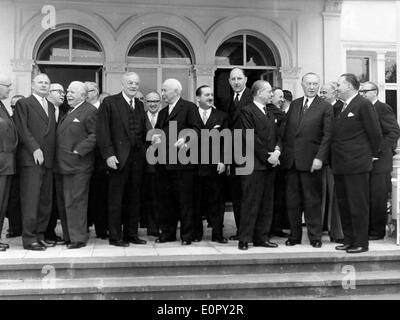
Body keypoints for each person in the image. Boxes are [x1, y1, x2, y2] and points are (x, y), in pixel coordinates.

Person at [281, 72, 333, 248]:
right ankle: (294, 236)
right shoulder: (294, 105)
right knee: (292, 202)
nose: (312, 87)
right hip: (291, 162)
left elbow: (328, 136)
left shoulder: (325, 107)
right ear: (302, 85)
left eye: (315, 84)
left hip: (312, 163)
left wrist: (320, 157)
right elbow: (285, 132)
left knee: (312, 202)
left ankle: (315, 237)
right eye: (308, 83)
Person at [332, 73, 382, 254]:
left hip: (357, 164)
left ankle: (361, 242)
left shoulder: (363, 104)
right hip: (341, 164)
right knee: (344, 205)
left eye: (339, 84)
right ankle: (349, 240)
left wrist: (372, 155)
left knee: (358, 205)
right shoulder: (341, 107)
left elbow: (375, 133)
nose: (337, 87)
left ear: (350, 86)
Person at [97, 72, 147, 247]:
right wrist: (109, 155)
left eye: (136, 83)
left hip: (137, 160)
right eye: (130, 83)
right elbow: (102, 132)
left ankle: (131, 234)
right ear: (123, 84)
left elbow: (142, 132)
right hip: (117, 159)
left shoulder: (140, 105)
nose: (134, 86)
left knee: (134, 198)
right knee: (116, 199)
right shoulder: (110, 103)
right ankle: (116, 236)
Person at [14, 73, 56, 251]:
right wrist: (34, 148)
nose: (44, 85)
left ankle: (40, 235)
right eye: (40, 82)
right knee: (31, 200)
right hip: (31, 159)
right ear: (32, 85)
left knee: (45, 201)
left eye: (47, 82)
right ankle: (29, 238)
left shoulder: (52, 106)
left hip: (48, 160)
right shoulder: (24, 103)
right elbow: (22, 129)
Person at [238, 80, 281, 250]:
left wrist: (277, 151)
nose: (272, 94)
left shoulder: (270, 112)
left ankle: (261, 237)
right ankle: (244, 238)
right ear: (258, 93)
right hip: (254, 164)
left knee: (266, 203)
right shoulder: (247, 111)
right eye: (269, 91)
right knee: (250, 202)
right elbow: (250, 137)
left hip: (270, 164)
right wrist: (266, 156)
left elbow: (278, 135)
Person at [154, 78, 197, 245]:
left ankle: (187, 236)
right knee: (166, 200)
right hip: (164, 163)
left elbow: (196, 130)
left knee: (185, 201)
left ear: (176, 92)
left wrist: (186, 141)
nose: (162, 93)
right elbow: (159, 131)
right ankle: (167, 233)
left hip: (183, 163)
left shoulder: (189, 107)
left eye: (165, 90)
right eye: (162, 90)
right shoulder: (163, 112)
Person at [54, 81, 97, 249]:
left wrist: (79, 151)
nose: (68, 94)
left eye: (72, 92)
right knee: (64, 203)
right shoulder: (69, 111)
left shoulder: (90, 111)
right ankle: (68, 236)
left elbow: (95, 135)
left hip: (78, 166)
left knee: (76, 203)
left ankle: (78, 238)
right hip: (62, 166)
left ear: (83, 95)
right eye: (67, 91)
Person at [359, 81, 400, 240]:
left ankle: (377, 231)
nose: (362, 94)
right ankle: (369, 230)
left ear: (375, 92)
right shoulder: (365, 108)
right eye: (361, 91)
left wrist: (379, 150)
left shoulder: (382, 108)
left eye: (365, 91)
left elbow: (394, 131)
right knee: (368, 196)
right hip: (367, 160)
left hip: (380, 162)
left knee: (378, 197)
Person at [190, 85, 229, 243]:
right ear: (198, 98)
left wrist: (223, 160)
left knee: (217, 202)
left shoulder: (222, 116)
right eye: (206, 95)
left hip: (215, 166)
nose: (210, 97)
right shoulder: (190, 115)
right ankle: (196, 234)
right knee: (196, 201)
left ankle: (218, 234)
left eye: (212, 94)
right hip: (194, 165)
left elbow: (227, 140)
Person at [222, 68, 253, 240]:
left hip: (248, 154)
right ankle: (241, 231)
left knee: (248, 195)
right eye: (233, 79)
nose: (236, 82)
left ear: (246, 79)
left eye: (239, 78)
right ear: (229, 81)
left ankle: (248, 232)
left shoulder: (252, 97)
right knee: (237, 195)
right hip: (233, 155)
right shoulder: (226, 100)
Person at [319, 82, 344, 243]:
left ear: (334, 93)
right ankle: (323, 228)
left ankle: (337, 233)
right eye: (320, 92)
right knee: (322, 196)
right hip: (322, 160)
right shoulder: (321, 107)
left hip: (337, 161)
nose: (321, 95)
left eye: (324, 92)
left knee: (336, 198)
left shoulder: (342, 108)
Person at [44, 83, 67, 245]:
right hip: (45, 163)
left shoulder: (65, 112)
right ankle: (44, 232)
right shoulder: (44, 110)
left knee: (56, 200)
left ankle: (50, 232)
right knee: (45, 199)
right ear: (48, 93)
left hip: (61, 163)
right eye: (59, 91)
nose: (63, 94)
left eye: (63, 92)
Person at [85, 81, 109, 239]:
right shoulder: (79, 109)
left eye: (90, 90)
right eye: (85, 91)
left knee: (101, 195)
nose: (87, 93)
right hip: (84, 159)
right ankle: (85, 226)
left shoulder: (105, 108)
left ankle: (102, 229)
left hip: (101, 160)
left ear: (97, 91)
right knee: (85, 195)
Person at [0, 73, 18, 251]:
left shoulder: (2, 105)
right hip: (1, 162)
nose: (10, 89)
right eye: (7, 85)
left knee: (2, 203)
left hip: (5, 163)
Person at [140, 90, 162, 237]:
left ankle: (161, 225)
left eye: (155, 101)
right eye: (149, 101)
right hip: (144, 164)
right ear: (145, 103)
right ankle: (151, 227)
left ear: (160, 102)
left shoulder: (165, 116)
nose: (152, 104)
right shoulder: (140, 117)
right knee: (148, 197)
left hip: (163, 164)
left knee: (161, 197)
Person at [270, 87, 289, 238]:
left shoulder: (281, 113)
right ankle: (274, 227)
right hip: (273, 160)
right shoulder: (273, 113)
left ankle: (276, 226)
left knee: (278, 196)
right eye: (279, 96)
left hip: (281, 160)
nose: (282, 99)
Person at [5, 94, 24, 238]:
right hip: (11, 166)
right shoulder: (8, 121)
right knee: (12, 199)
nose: (14, 109)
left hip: (25, 165)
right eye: (12, 106)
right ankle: (14, 227)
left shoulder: (26, 121)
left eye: (17, 106)